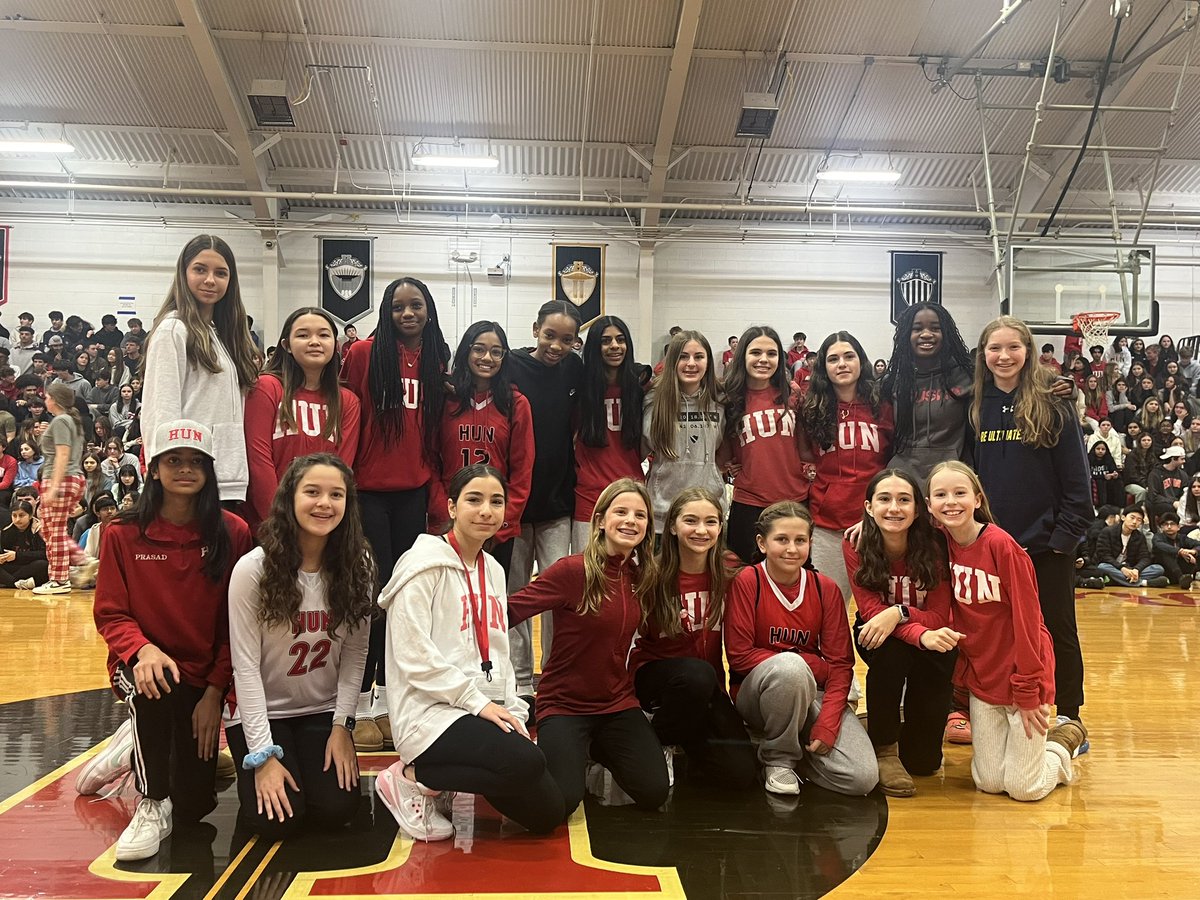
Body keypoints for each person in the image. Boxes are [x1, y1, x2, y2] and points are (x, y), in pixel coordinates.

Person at [80, 419, 253, 861]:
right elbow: (111, 613)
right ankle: (152, 800)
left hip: (201, 674)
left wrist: (215, 691)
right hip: (140, 666)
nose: (185, 469)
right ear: (153, 468)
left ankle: (131, 746)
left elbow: (237, 624)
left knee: (195, 808)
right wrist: (142, 649)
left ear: (210, 472)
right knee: (152, 685)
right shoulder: (122, 533)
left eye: (196, 462)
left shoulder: (232, 533)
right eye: (173, 460)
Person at [377, 464, 563, 841]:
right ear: (451, 507)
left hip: (480, 707)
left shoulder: (493, 569)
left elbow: (500, 651)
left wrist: (513, 709)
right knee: (526, 763)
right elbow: (413, 657)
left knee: (548, 813)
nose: (486, 511)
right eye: (474, 500)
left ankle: (446, 776)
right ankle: (411, 777)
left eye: (496, 501)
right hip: (430, 710)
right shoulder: (421, 565)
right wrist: (475, 703)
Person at [225, 454, 373, 837]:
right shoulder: (253, 570)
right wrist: (262, 756)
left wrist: (343, 727)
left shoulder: (359, 566)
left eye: (336, 494)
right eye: (313, 492)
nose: (325, 503)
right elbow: (244, 667)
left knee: (338, 809)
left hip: (320, 710)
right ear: (289, 498)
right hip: (262, 714)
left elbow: (356, 656)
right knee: (278, 821)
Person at [508, 479, 671, 819]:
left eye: (640, 515)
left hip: (616, 704)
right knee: (560, 804)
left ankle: (595, 749)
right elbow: (508, 612)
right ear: (600, 520)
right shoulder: (572, 570)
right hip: (565, 705)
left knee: (654, 791)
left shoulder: (642, 576)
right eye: (621, 512)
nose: (630, 521)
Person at [927, 461, 1084, 801]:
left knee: (1023, 789)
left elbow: (1031, 623)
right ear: (929, 506)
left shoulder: (1002, 546)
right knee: (988, 781)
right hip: (984, 680)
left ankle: (1060, 747)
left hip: (1023, 675)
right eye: (940, 495)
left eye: (959, 493)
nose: (950, 501)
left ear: (978, 499)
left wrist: (1029, 688)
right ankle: (1034, 753)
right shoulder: (941, 545)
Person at [342, 277, 449, 750]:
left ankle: (392, 697)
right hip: (368, 491)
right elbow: (344, 411)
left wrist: (435, 492)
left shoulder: (436, 358)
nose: (408, 313)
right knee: (373, 594)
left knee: (407, 596)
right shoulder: (364, 355)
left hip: (414, 492)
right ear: (386, 312)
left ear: (428, 310)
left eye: (416, 305)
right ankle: (360, 700)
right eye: (398, 306)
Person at [971, 316, 1092, 737]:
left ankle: (1070, 714)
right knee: (997, 630)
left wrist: (1061, 542)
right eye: (994, 348)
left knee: (1057, 628)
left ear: (1028, 351)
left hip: (1044, 547)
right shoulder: (974, 406)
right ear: (983, 355)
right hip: (992, 547)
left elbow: (1079, 484)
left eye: (1013, 347)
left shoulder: (1054, 403)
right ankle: (1003, 704)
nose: (1003, 356)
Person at [724, 501, 878, 797]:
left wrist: (828, 724)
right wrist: (808, 664)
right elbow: (740, 656)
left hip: (810, 691)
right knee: (790, 670)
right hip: (756, 694)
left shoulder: (825, 588)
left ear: (811, 543)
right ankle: (778, 759)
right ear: (762, 542)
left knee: (862, 778)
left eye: (800, 540)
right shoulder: (748, 581)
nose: (792, 549)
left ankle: (788, 747)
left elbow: (841, 665)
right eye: (782, 539)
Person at [843, 469, 961, 797]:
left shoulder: (937, 544)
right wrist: (911, 631)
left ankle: (889, 726)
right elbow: (869, 611)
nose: (894, 507)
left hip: (929, 629)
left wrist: (900, 613)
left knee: (924, 764)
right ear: (868, 507)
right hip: (879, 632)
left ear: (918, 508)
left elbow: (938, 614)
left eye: (903, 500)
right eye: (884, 499)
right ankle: (884, 748)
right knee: (889, 654)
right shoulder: (856, 543)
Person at [634, 488, 756, 788]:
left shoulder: (732, 572)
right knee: (696, 674)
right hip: (655, 681)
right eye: (691, 521)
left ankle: (685, 736)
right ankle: (659, 738)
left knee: (741, 776)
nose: (701, 530)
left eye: (710, 522)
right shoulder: (651, 574)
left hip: (706, 687)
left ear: (720, 526)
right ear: (672, 526)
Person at [505, 300, 584, 709]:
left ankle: (553, 673)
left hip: (557, 504)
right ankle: (519, 681)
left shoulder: (574, 368)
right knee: (515, 593)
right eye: (550, 335)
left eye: (567, 339)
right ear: (535, 329)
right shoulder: (511, 365)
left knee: (557, 595)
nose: (557, 345)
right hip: (516, 506)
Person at [141, 235, 260, 503]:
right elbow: (161, 412)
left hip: (226, 477)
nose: (210, 280)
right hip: (189, 482)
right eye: (200, 269)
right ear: (183, 274)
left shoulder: (221, 335)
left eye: (220, 273)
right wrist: (167, 474)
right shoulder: (173, 329)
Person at [796, 331, 893, 601]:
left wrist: (876, 514)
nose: (842, 364)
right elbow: (805, 455)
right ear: (823, 368)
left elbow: (892, 460)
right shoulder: (813, 409)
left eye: (849, 356)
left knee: (879, 608)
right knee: (829, 606)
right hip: (828, 526)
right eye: (833, 358)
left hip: (876, 524)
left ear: (861, 361)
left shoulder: (882, 406)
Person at [244, 307, 360, 529]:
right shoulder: (266, 388)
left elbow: (341, 471)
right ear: (286, 345)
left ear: (335, 345)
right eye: (303, 335)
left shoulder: (348, 402)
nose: (314, 341)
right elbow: (258, 461)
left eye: (323, 335)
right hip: (271, 524)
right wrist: (279, 522)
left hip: (322, 523)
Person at [431, 321, 533, 570]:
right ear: (466, 351)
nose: (487, 357)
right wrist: (443, 513)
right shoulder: (446, 399)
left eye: (496, 352)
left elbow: (522, 471)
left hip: (494, 524)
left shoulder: (516, 404)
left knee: (491, 600)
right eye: (479, 349)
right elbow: (430, 459)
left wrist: (503, 521)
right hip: (451, 518)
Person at [721, 326, 806, 563]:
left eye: (771, 353)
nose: (763, 359)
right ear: (743, 356)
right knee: (745, 580)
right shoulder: (729, 398)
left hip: (793, 500)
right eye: (755, 352)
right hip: (749, 502)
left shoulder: (792, 393)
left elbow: (805, 445)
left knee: (792, 577)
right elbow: (723, 456)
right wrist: (730, 465)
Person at [880, 302, 974, 482]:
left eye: (935, 328)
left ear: (946, 334)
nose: (926, 334)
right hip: (903, 480)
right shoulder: (892, 382)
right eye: (917, 329)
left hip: (951, 479)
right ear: (907, 335)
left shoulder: (966, 377)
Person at [573, 316, 645, 553]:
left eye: (620, 339)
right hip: (589, 495)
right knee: (586, 572)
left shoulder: (641, 387)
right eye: (606, 341)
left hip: (631, 493)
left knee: (628, 573)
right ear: (594, 347)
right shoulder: (579, 389)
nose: (614, 346)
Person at [644, 331, 726, 534]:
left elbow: (723, 451)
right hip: (662, 514)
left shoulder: (720, 401)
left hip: (707, 513)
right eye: (683, 356)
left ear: (708, 362)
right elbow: (641, 449)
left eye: (698, 356)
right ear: (672, 361)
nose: (691, 363)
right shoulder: (653, 401)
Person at [31, 383, 87, 595]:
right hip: (68, 478)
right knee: (48, 530)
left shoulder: (62, 420)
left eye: (46, 397)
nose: (45, 400)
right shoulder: (68, 421)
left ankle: (60, 578)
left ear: (54, 399)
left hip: (61, 478)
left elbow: (63, 454)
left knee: (54, 532)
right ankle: (76, 563)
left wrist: (54, 485)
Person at [1093, 505, 1167, 588]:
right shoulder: (1107, 532)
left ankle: (1118, 580)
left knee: (1158, 568)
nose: (1135, 522)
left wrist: (1136, 570)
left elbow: (1145, 557)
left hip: (1130, 568)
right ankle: (1143, 583)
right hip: (1113, 566)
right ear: (1123, 517)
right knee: (1102, 567)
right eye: (1132, 518)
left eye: (1139, 520)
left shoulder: (1139, 536)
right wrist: (1122, 568)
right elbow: (1104, 555)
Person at [0, 500, 48, 589]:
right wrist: (2, 558)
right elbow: (4, 552)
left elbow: (45, 554)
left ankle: (10, 582)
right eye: (14, 516)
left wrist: (17, 555)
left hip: (31, 566)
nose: (17, 519)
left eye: (21, 515)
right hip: (14, 567)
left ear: (30, 516)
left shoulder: (40, 530)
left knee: (43, 565)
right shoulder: (6, 530)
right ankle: (17, 583)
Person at [1150, 511, 1200, 589]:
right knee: (1165, 552)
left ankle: (1186, 578)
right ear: (1162, 527)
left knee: (1194, 553)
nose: (1169, 527)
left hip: (1181, 568)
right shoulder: (1158, 537)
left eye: (1172, 524)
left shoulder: (1183, 538)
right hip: (1164, 570)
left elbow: (1198, 544)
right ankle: (1181, 578)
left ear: (1178, 527)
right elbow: (1160, 545)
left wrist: (1193, 551)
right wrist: (1180, 551)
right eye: (1166, 524)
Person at [1146, 445, 1187, 522]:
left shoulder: (1183, 475)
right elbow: (1153, 496)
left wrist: (1181, 502)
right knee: (1168, 508)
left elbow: (1185, 492)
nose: (1184, 461)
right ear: (1173, 459)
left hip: (1178, 503)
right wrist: (1172, 502)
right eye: (1182, 459)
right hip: (1160, 504)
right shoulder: (1155, 474)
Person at [1087, 442, 1124, 509]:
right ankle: (1100, 506)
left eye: (1103, 449)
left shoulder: (1109, 458)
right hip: (1094, 480)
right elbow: (1087, 474)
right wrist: (1103, 477)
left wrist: (1115, 475)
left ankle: (1118, 506)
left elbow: (1114, 471)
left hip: (1107, 480)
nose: (1100, 451)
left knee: (1118, 482)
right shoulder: (1088, 458)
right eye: (1098, 449)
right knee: (1100, 482)